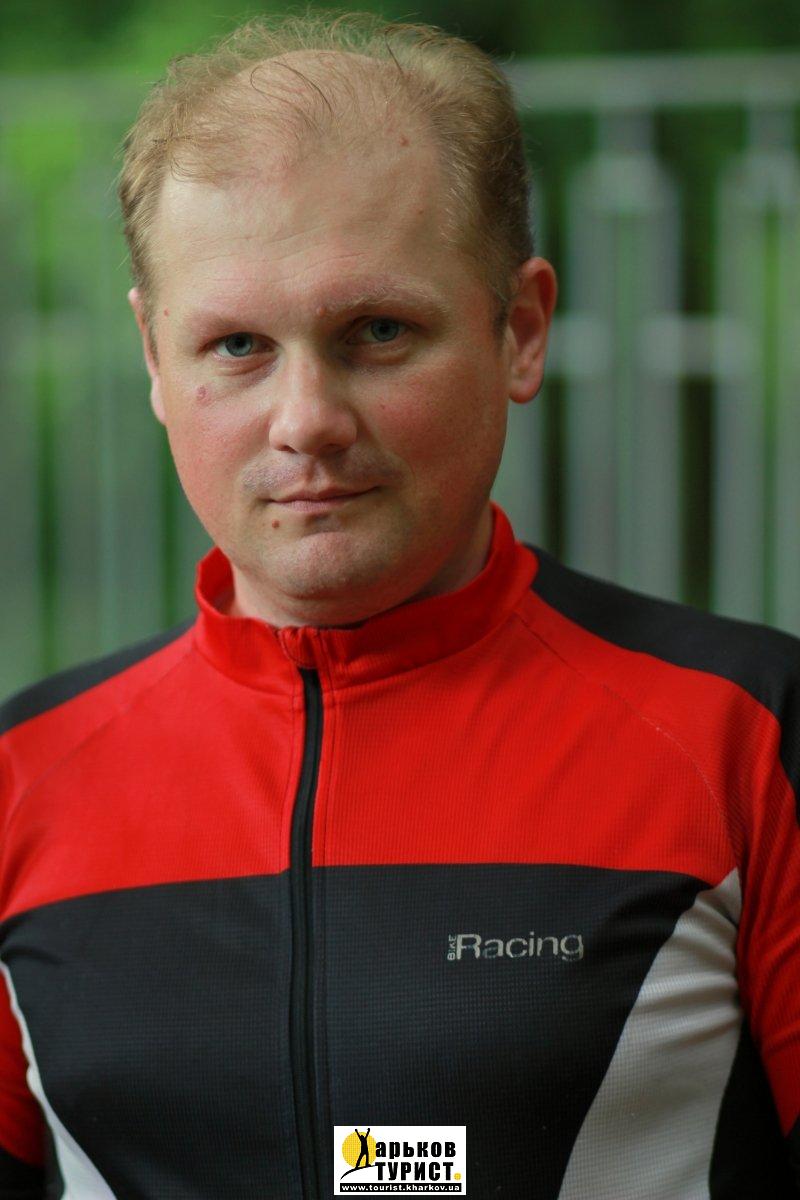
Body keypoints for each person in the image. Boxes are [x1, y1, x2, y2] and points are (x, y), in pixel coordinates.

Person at [1, 10, 799, 1199]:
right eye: (236, 345)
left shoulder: (748, 734)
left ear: (518, 330)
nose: (306, 421)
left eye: (377, 331)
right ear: (154, 360)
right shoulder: (22, 778)